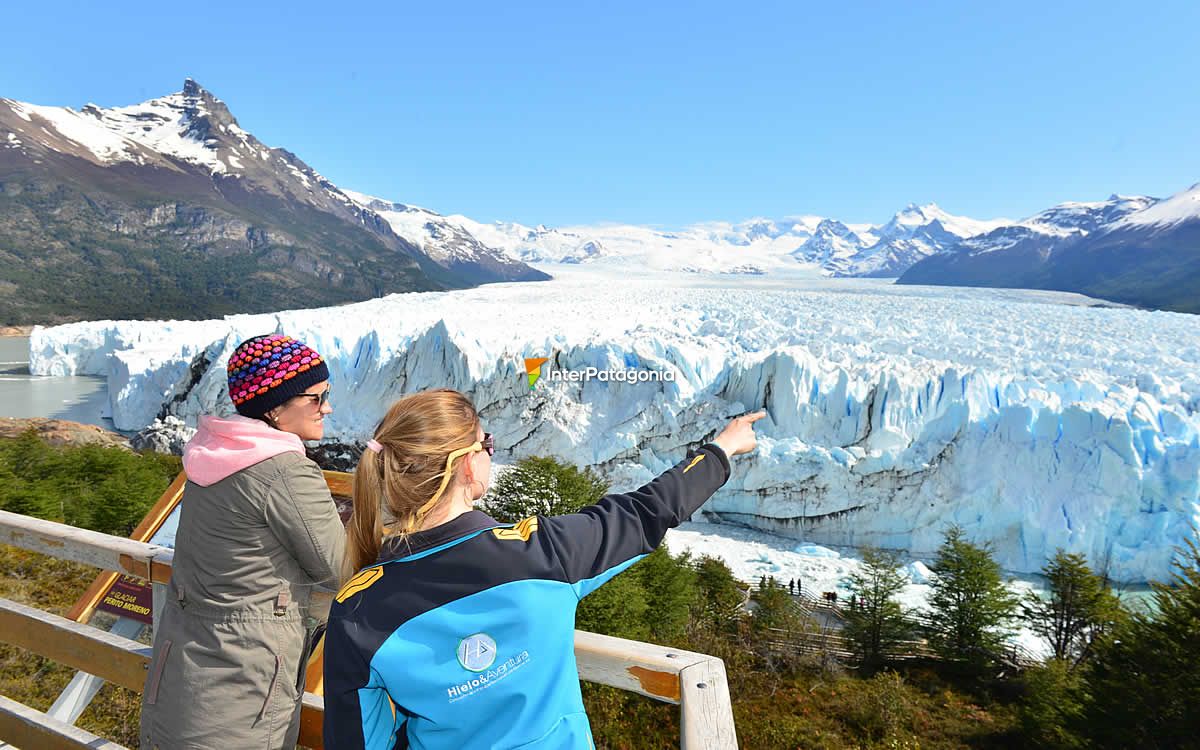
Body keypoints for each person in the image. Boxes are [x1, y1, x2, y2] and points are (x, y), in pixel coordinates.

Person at [323, 388, 762, 749]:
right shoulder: (544, 554)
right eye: (487, 443)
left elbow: (360, 743)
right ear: (469, 464)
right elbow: (647, 513)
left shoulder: (357, 609)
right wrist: (722, 448)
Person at [140, 333, 346, 750]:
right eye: (316, 397)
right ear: (274, 405)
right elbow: (341, 571)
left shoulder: (211, 453)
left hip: (180, 679)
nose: (327, 407)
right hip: (240, 693)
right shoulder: (283, 471)